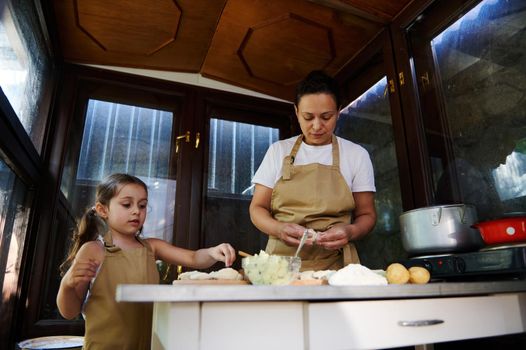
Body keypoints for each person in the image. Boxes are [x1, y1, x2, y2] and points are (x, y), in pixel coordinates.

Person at [56, 173, 235, 350]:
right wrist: (68, 284)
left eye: (142, 206)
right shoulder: (93, 250)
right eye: (127, 204)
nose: (136, 211)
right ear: (103, 210)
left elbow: (193, 258)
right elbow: (69, 312)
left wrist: (212, 252)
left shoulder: (152, 247)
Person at [249, 70, 376, 271]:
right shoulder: (278, 151)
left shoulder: (356, 155)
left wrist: (350, 231)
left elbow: (367, 214)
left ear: (339, 111)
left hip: (337, 267)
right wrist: (279, 229)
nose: (317, 126)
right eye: (308, 117)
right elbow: (257, 208)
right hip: (280, 267)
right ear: (297, 111)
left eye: (326, 116)